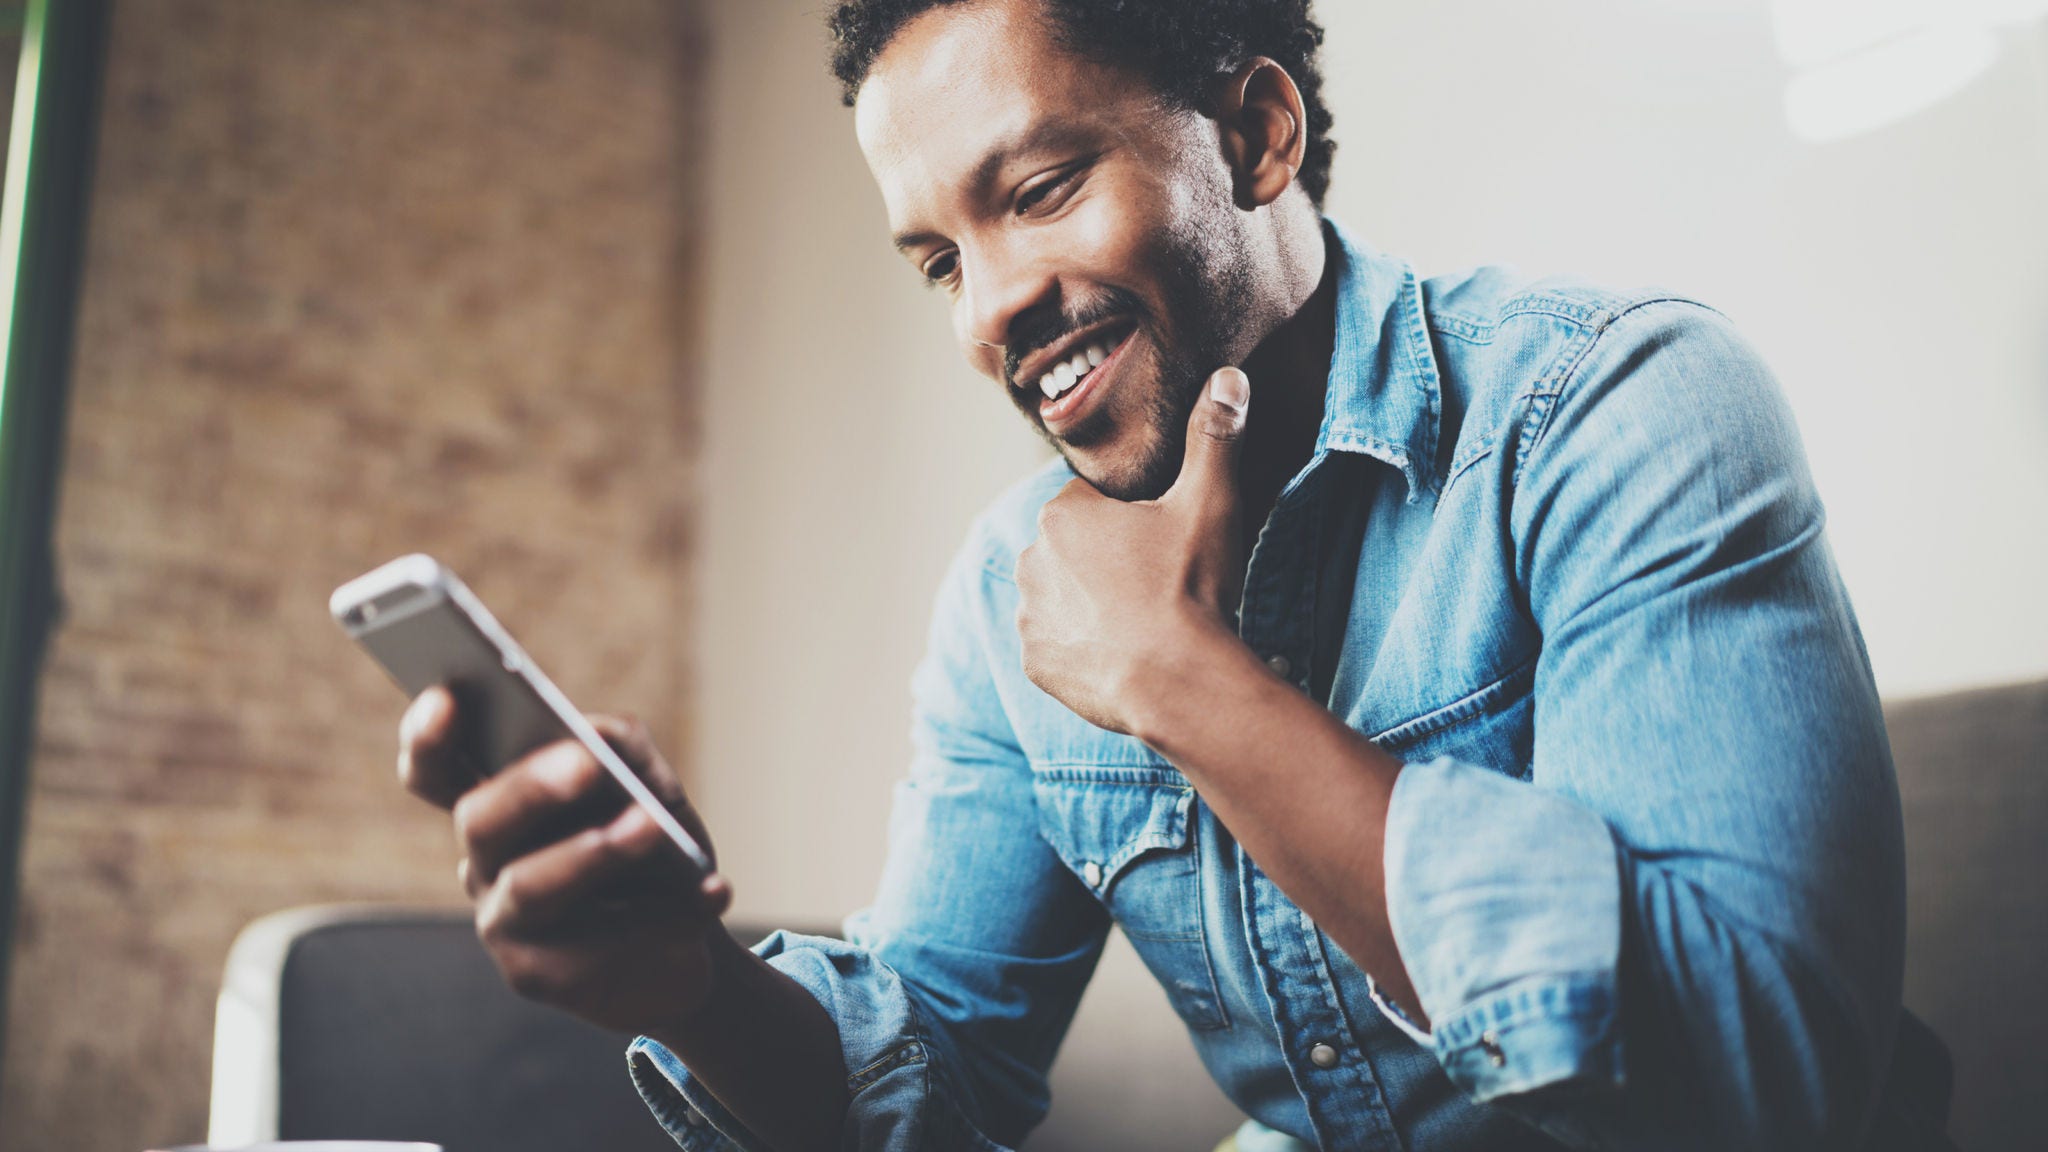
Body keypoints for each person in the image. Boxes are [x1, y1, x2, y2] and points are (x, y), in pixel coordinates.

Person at [396, 1, 1934, 1148]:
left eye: (1042, 188)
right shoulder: (1012, 601)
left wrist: (1186, 683)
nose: (991, 309)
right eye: (938, 258)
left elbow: (1761, 1083)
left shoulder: (1617, 407)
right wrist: (694, 986)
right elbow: (932, 1090)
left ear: (1260, 135)